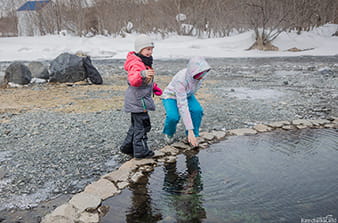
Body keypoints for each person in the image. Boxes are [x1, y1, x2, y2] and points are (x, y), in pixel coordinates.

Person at [120, 34, 162, 159]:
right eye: (147, 49)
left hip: (138, 99)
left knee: (136, 125)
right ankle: (140, 151)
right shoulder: (136, 63)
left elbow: (144, 81)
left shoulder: (144, 62)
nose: (150, 52)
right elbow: (133, 80)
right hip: (138, 101)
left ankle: (127, 147)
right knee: (143, 125)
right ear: (140, 50)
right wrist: (143, 74)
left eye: (151, 49)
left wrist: (153, 87)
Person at [161, 56, 211, 147]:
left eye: (203, 73)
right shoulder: (181, 79)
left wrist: (191, 131)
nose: (202, 76)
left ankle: (193, 135)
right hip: (171, 96)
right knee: (173, 117)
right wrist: (189, 128)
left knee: (197, 111)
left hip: (187, 95)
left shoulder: (198, 75)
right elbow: (183, 106)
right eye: (201, 74)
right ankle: (169, 133)